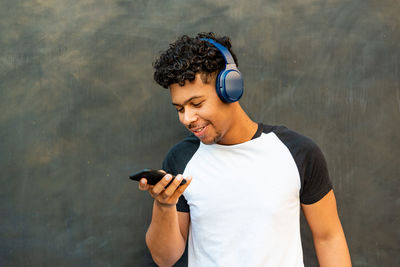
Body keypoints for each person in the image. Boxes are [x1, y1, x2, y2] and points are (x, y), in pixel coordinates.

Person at [138, 32, 351, 267]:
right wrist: (163, 204)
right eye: (180, 109)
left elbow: (328, 237)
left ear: (230, 88)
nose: (187, 118)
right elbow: (164, 258)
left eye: (196, 104)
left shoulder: (297, 152)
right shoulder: (181, 160)